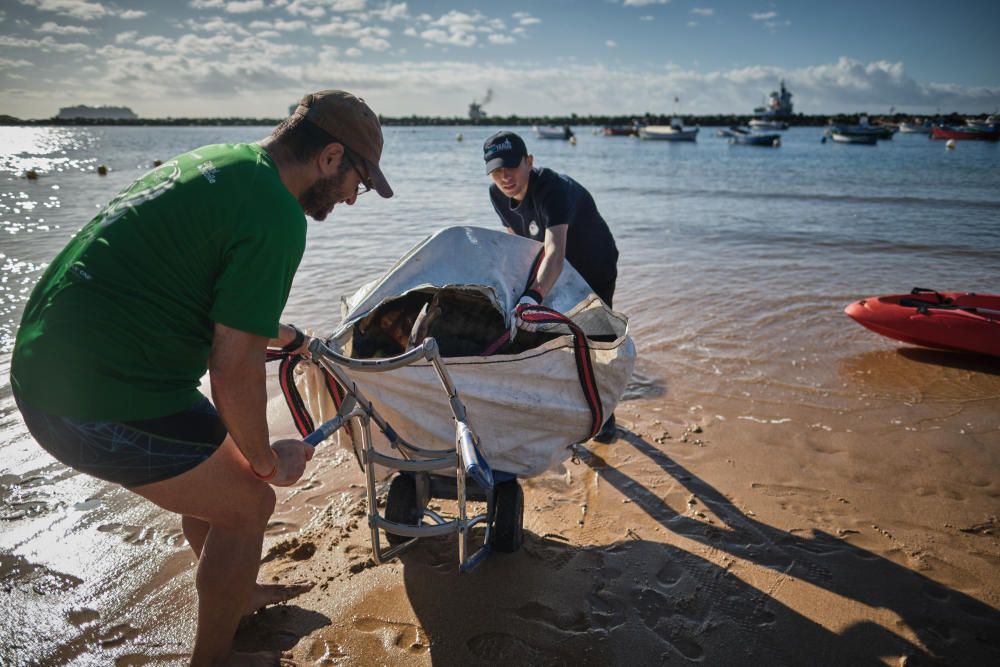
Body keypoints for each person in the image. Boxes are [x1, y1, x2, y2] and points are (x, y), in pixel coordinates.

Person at [10, 89, 393, 666]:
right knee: (248, 502)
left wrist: (284, 336)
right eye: (356, 181)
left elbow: (199, 295)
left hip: (50, 366)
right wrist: (265, 460)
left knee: (220, 471)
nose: (352, 198)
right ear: (331, 156)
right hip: (93, 399)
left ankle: (234, 595)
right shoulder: (276, 216)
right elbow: (231, 366)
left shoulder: (225, 162)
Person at [483, 130, 620, 443]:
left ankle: (606, 416)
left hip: (594, 264)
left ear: (529, 162)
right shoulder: (497, 195)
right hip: (556, 267)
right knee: (552, 339)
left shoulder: (551, 189)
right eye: (495, 170)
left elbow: (555, 252)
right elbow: (517, 246)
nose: (504, 177)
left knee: (596, 339)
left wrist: (534, 295)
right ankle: (563, 407)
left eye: (511, 167)